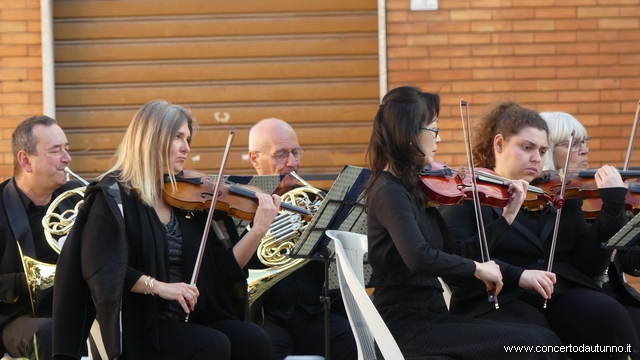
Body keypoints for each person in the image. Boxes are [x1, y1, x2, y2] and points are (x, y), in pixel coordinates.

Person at [52, 100, 281, 360]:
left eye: (188, 139)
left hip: (190, 317)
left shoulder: (186, 198)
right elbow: (101, 267)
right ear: (151, 139)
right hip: (141, 325)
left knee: (253, 339)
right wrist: (159, 287)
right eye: (177, 137)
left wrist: (257, 231)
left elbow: (223, 271)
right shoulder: (113, 196)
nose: (186, 148)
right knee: (211, 345)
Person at [365, 86, 565, 359]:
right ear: (410, 132)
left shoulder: (413, 190)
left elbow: (454, 255)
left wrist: (507, 217)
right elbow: (418, 258)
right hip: (407, 327)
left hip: (432, 319)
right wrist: (477, 269)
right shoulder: (389, 191)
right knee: (538, 344)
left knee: (542, 341)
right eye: (433, 129)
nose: (439, 138)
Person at [439, 102, 640, 360]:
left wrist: (611, 209)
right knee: (535, 338)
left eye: (543, 150)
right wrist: (517, 274)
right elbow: (459, 258)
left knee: (608, 315)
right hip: (499, 299)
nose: (537, 157)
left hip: (561, 293)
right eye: (527, 147)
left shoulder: (560, 195)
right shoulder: (470, 196)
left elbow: (588, 266)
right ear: (499, 144)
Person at [247, 118, 357, 360]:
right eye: (281, 155)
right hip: (268, 315)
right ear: (255, 159)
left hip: (317, 312)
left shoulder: (320, 201)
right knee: (257, 349)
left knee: (359, 342)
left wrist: (328, 230)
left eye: (296, 152)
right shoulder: (239, 204)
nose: (293, 163)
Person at [540, 111, 640, 338]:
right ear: (546, 150)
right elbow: (585, 263)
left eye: (585, 142)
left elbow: (631, 261)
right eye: (573, 144)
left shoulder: (598, 195)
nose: (584, 150)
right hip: (579, 300)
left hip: (612, 294)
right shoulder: (549, 203)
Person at [0, 115, 82, 360]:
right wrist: (31, 282)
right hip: (19, 316)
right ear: (26, 160)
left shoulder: (78, 199)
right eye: (56, 151)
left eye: (66, 149)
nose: (67, 159)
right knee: (49, 333)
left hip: (76, 307)